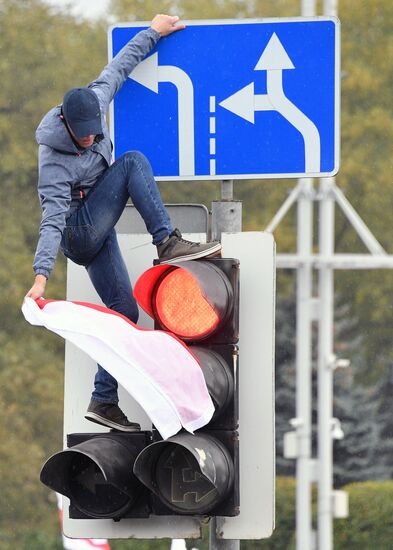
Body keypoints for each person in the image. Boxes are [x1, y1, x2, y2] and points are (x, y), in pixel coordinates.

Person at [25, 14, 221, 432]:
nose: (92, 141)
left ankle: (103, 399)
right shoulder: (53, 162)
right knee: (132, 162)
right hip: (77, 231)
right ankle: (166, 241)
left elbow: (120, 64)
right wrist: (41, 276)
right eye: (85, 139)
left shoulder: (94, 99)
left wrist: (154, 30)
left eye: (95, 134)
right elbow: (52, 220)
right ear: (66, 127)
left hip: (98, 225)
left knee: (124, 310)